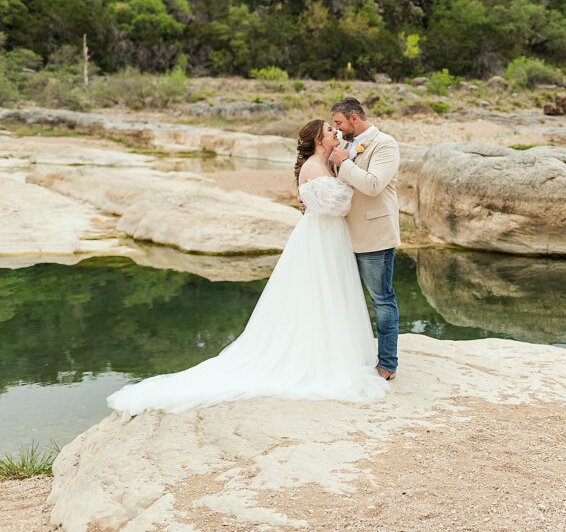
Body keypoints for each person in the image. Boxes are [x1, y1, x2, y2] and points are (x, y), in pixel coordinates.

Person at [106, 119, 388, 415]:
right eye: (331, 131)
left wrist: (342, 164)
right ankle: (315, 355)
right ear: (319, 139)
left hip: (331, 237)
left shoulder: (327, 163)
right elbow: (339, 205)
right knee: (317, 291)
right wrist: (345, 175)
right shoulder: (314, 168)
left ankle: (334, 351)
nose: (336, 133)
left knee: (333, 292)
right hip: (320, 237)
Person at [329, 97, 401, 380]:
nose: (336, 129)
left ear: (354, 119)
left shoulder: (385, 144)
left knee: (382, 300)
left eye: (339, 123)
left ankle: (387, 364)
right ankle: (350, 357)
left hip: (374, 237)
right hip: (343, 235)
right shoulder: (345, 144)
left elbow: (372, 185)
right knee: (345, 298)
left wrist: (344, 164)